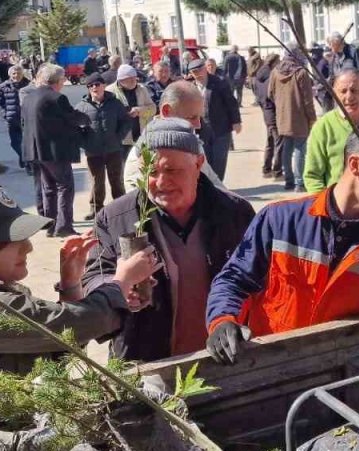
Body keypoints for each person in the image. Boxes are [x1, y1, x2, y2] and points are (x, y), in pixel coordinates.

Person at [206, 122, 359, 364]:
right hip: (267, 372)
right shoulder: (280, 221)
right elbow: (235, 280)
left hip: (342, 384)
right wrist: (222, 321)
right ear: (356, 165)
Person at [0, 183, 156, 372]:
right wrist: (122, 281)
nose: (28, 248)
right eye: (14, 241)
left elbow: (61, 345)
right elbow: (81, 324)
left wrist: (71, 283)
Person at [84, 118, 252, 361]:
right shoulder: (115, 217)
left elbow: (259, 277)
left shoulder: (235, 213)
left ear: (198, 164)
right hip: (146, 361)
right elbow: (92, 276)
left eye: (172, 170)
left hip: (223, 356)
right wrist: (116, 285)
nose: (161, 182)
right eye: (151, 172)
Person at [21, 64, 90, 238]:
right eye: (64, 79)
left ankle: (51, 225)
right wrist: (87, 119)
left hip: (35, 151)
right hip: (53, 151)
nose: (64, 82)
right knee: (65, 187)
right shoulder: (57, 98)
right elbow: (73, 117)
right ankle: (64, 226)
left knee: (49, 188)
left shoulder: (29, 97)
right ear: (58, 81)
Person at [305, 69, 359, 192]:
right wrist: (325, 207)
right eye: (343, 91)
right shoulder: (323, 127)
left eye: (354, 91)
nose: (349, 97)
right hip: (337, 205)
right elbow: (312, 177)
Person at [75, 73, 132, 221]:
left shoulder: (115, 103)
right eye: (91, 85)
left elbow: (126, 122)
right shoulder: (81, 107)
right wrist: (85, 143)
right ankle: (96, 210)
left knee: (116, 181)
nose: (95, 87)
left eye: (97, 84)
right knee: (96, 182)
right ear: (88, 88)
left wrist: (118, 138)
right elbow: (74, 129)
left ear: (104, 85)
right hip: (93, 152)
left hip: (113, 150)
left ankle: (121, 209)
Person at [185, 58, 241, 179]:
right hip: (201, 131)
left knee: (219, 161)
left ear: (205, 69)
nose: (198, 74)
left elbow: (231, 103)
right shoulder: (189, 87)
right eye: (194, 72)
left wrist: (236, 121)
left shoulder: (219, 83)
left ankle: (218, 187)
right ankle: (211, 187)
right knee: (205, 161)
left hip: (220, 129)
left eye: (200, 70)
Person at [272, 45, 318, 192]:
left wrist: (281, 105)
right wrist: (312, 118)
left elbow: (270, 93)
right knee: (299, 149)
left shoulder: (275, 71)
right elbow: (307, 99)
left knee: (287, 148)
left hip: (282, 116)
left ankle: (289, 181)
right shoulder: (301, 72)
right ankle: (299, 183)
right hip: (299, 116)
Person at [107, 64, 155, 159]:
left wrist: (140, 110)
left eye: (135, 78)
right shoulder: (109, 91)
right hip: (122, 140)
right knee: (125, 170)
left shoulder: (142, 89)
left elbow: (153, 109)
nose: (134, 81)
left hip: (142, 137)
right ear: (121, 80)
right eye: (130, 79)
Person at [253, 53, 284, 180]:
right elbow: (271, 96)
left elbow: (258, 96)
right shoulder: (270, 77)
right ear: (274, 62)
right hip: (273, 112)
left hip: (266, 112)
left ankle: (266, 169)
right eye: (278, 61)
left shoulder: (258, 76)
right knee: (279, 142)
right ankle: (277, 172)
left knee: (270, 141)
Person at [0, 65, 29, 168]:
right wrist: (5, 114)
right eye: (14, 73)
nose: (16, 75)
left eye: (19, 73)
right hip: (12, 118)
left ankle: (28, 163)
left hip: (27, 119)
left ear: (22, 74)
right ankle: (23, 157)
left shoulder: (29, 85)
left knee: (27, 142)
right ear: (10, 74)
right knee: (15, 143)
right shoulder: (3, 86)